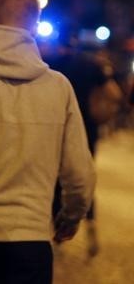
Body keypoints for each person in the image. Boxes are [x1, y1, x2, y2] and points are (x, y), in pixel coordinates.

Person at [0, 0, 96, 284]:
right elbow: (79, 173)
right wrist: (70, 217)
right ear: (35, 26)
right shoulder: (58, 88)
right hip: (32, 240)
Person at [47, 41, 123, 257]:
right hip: (86, 129)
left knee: (56, 181)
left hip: (56, 128)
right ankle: (90, 226)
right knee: (84, 175)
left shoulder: (52, 64)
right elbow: (115, 94)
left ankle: (56, 233)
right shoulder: (93, 66)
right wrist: (104, 114)